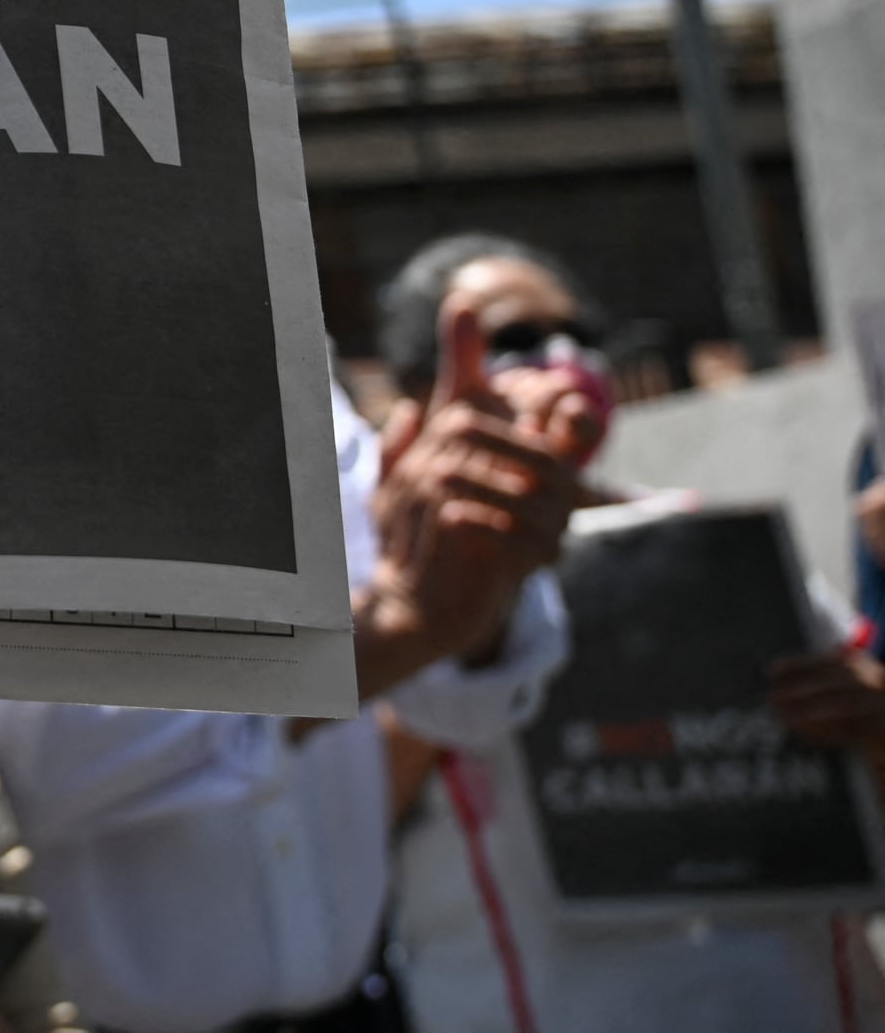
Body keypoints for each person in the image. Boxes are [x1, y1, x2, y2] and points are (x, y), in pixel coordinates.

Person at [0, 269, 587, 1033]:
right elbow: (22, 765)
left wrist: (481, 562)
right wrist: (379, 637)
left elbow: (459, 703)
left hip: (357, 1009)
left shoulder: (291, 376)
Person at [374, 234, 885, 1033]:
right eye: (516, 339)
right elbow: (330, 819)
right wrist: (444, 635)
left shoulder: (718, 550)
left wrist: (870, 724)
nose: (563, 360)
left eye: (580, 336)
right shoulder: (377, 598)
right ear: (421, 387)